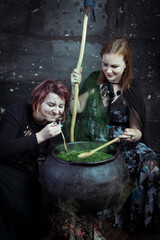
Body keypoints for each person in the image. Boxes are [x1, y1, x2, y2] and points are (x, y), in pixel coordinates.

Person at [70, 37, 160, 234]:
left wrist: (133, 134)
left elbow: (137, 131)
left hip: (123, 143)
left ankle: (139, 225)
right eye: (105, 64)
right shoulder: (94, 79)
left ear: (126, 64)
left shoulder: (133, 88)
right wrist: (73, 86)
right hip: (98, 143)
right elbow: (76, 109)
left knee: (151, 166)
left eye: (114, 66)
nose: (108, 71)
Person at [0, 79, 70, 240]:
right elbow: (2, 148)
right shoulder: (17, 112)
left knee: (39, 212)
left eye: (61, 106)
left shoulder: (51, 123)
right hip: (4, 171)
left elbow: (37, 156)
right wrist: (40, 136)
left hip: (27, 172)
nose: (56, 111)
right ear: (38, 100)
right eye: (51, 104)